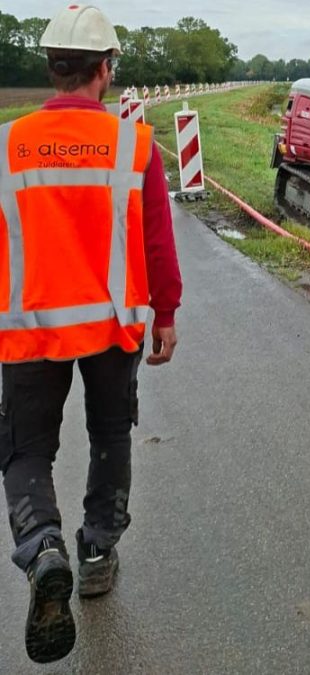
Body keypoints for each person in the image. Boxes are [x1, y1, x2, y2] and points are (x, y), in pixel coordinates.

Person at [0, 4, 182, 664]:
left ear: (52, 68)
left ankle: (42, 545)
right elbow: (157, 239)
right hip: (111, 326)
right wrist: (166, 313)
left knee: (25, 450)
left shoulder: (8, 145)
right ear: (105, 69)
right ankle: (98, 550)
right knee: (109, 434)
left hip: (28, 328)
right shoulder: (133, 145)